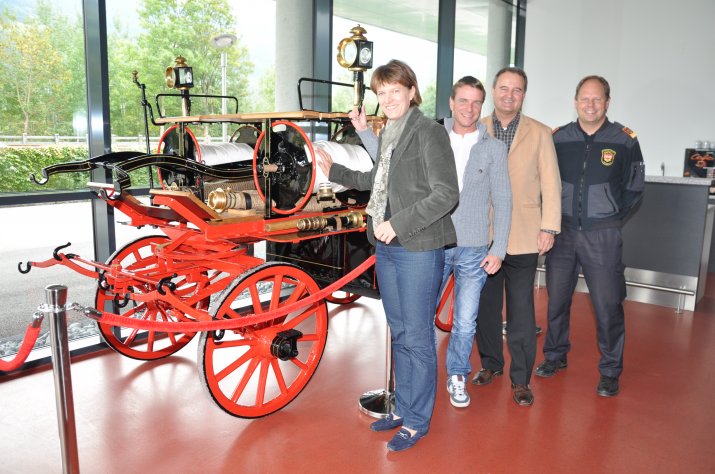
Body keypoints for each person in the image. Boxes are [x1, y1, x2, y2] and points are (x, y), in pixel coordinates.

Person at [316, 59, 459, 451]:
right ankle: (404, 407)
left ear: (412, 92)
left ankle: (417, 421)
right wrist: (335, 170)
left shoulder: (429, 132)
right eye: (382, 93)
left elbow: (447, 194)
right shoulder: (392, 131)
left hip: (417, 247)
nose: (389, 98)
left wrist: (398, 223)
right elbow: (375, 180)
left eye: (396, 90)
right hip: (387, 247)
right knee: (399, 332)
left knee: (418, 336)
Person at [535, 75, 645, 397]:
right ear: (575, 101)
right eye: (585, 98)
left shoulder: (624, 139)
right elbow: (544, 182)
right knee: (557, 299)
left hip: (602, 235)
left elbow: (634, 187)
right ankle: (555, 355)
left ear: (607, 102)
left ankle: (610, 370)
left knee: (608, 304)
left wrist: (610, 217)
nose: (590, 104)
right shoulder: (558, 138)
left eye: (597, 99)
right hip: (563, 233)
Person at [472, 67, 562, 407]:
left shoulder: (539, 133)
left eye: (517, 90)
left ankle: (521, 379)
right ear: (494, 90)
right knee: (486, 306)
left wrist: (549, 227)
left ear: (524, 95)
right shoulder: (476, 128)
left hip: (525, 234)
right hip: (484, 234)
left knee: (521, 309)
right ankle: (491, 364)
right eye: (504, 88)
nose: (510, 95)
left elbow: (551, 183)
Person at [438, 76, 511, 408]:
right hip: (434, 244)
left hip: (474, 248)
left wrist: (499, 248)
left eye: (476, 102)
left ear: (482, 106)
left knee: (465, 322)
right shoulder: (433, 138)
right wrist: (366, 133)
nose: (469, 108)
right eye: (463, 100)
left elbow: (504, 201)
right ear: (452, 103)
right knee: (421, 316)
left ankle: (457, 375)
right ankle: (418, 377)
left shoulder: (494, 148)